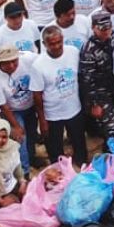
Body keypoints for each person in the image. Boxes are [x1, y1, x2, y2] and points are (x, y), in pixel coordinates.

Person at [31, 26, 87, 167]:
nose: (56, 46)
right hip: (52, 114)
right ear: (44, 45)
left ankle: (81, 167)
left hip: (74, 109)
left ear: (63, 39)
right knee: (55, 151)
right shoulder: (38, 65)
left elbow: (81, 77)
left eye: (59, 42)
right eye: (51, 44)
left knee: (79, 144)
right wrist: (42, 120)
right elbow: (37, 95)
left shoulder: (74, 52)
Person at [0, 48, 39, 175]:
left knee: (32, 133)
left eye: (14, 61)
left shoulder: (29, 58)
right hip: (12, 110)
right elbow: (3, 106)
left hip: (30, 104)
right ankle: (24, 171)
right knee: (20, 139)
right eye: (6, 63)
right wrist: (15, 126)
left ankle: (32, 158)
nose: (11, 65)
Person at [78, 13, 114, 143]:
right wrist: (94, 105)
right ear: (93, 28)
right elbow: (87, 81)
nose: (106, 32)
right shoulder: (88, 50)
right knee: (113, 130)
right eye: (102, 29)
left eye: (108, 28)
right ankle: (112, 158)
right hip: (99, 93)